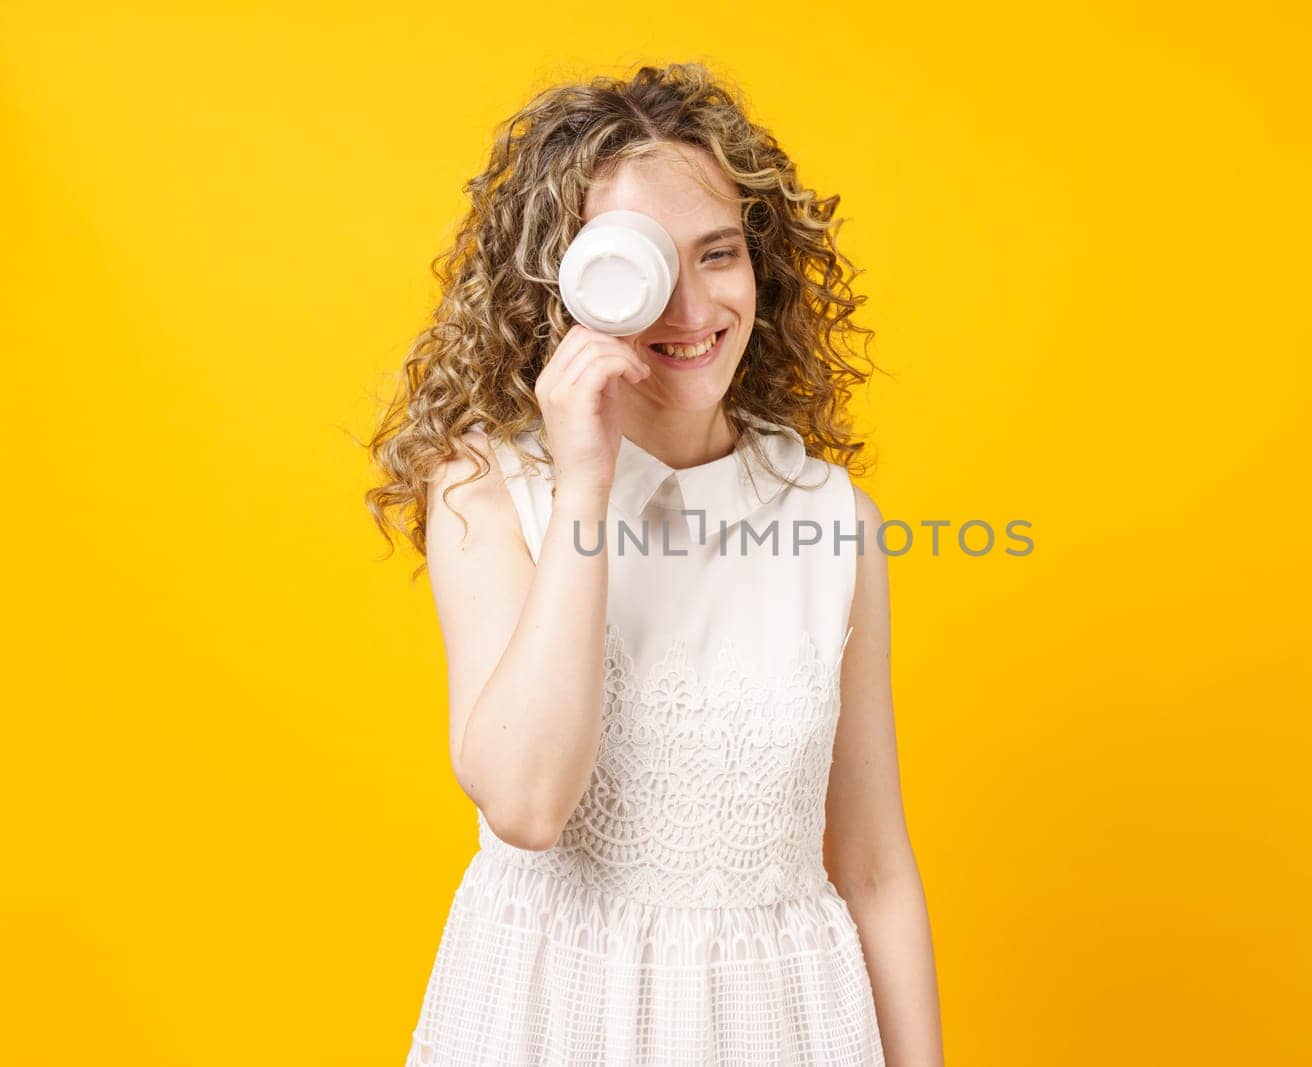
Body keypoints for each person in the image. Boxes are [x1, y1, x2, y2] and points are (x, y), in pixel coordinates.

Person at [366, 62, 943, 1065]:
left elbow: (875, 864)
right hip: (555, 1015)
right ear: (564, 282)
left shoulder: (830, 519)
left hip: (780, 1021)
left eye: (716, 253)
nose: (688, 306)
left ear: (761, 266)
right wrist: (585, 485)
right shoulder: (487, 489)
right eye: (639, 262)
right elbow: (526, 801)